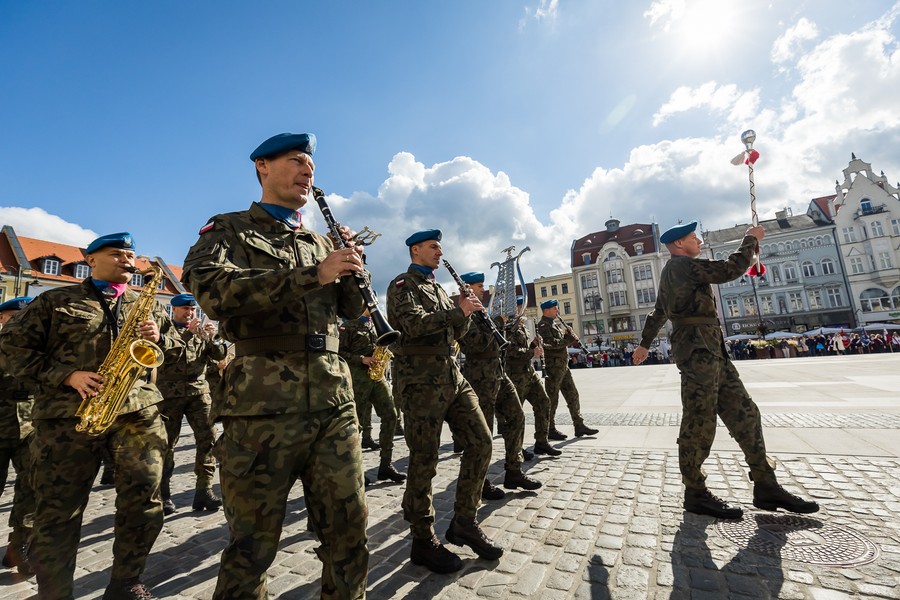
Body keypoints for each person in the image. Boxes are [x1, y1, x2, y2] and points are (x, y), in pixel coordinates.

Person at [181, 132, 369, 600]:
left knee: (349, 535)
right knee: (252, 546)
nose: (308, 170)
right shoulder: (227, 229)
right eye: (296, 161)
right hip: (261, 409)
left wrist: (351, 267)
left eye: (311, 164)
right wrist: (315, 273)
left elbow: (347, 309)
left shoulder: (319, 239)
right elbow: (212, 290)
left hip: (333, 402)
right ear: (262, 167)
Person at [0, 232, 183, 600]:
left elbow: (178, 353)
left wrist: (161, 338)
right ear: (90, 259)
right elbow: (11, 349)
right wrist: (65, 375)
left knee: (145, 505)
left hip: (137, 416)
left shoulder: (148, 306)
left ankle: (125, 583)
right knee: (58, 510)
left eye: (131, 255)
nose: (128, 261)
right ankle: (55, 592)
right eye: (117, 254)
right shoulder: (55, 300)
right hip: (69, 418)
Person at [632, 221, 819, 520]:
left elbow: (658, 312)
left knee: (745, 412)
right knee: (699, 420)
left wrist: (643, 345)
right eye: (694, 237)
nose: (700, 240)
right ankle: (695, 493)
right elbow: (727, 270)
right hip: (697, 352)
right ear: (679, 244)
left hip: (711, 349)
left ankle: (766, 484)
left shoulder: (678, 271)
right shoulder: (680, 267)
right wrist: (748, 241)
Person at [386, 229, 503, 574]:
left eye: (440, 246)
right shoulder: (401, 286)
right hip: (420, 382)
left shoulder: (438, 289)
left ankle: (464, 522)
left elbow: (456, 334)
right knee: (424, 460)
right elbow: (411, 325)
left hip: (451, 377)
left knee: (481, 442)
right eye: (434, 246)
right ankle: (423, 540)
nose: (440, 251)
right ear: (416, 250)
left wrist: (466, 314)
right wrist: (458, 311)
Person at [456, 272, 541, 500]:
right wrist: (497, 323)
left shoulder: (484, 313)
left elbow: (500, 343)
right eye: (478, 285)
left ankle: (514, 470)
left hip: (499, 373)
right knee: (483, 431)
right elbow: (474, 345)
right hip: (480, 377)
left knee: (517, 416)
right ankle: (480, 482)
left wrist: (503, 324)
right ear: (468, 288)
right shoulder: (464, 315)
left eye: (483, 285)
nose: (483, 289)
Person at [155, 293, 228, 515]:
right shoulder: (165, 331)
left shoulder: (200, 331)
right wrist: (187, 334)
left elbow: (219, 355)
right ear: (174, 310)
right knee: (167, 444)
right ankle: (164, 494)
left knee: (208, 440)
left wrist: (214, 338)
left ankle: (204, 490)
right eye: (185, 309)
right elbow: (167, 356)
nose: (190, 313)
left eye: (193, 310)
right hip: (170, 395)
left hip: (199, 393)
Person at [338, 311, 406, 483]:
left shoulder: (376, 323)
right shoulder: (348, 325)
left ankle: (386, 465)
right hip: (358, 378)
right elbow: (338, 352)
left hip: (377, 376)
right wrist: (362, 359)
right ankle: (355, 470)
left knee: (391, 415)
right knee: (356, 423)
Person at [0, 296, 36, 576]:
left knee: (32, 487)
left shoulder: (42, 349)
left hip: (32, 427)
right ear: (2, 318)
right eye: (15, 317)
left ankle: (19, 545)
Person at [536, 300, 599, 440]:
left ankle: (579, 425)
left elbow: (560, 342)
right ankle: (550, 428)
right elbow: (549, 344)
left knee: (573, 395)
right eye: (555, 309)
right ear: (546, 310)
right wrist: (568, 339)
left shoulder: (554, 325)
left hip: (563, 367)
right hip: (553, 368)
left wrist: (567, 336)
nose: (557, 311)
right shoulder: (543, 326)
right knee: (552, 399)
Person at [504, 310, 561, 458]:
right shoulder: (507, 327)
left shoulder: (522, 325)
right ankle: (517, 449)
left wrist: (533, 345)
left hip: (529, 373)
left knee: (543, 402)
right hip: (516, 375)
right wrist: (532, 352)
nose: (520, 311)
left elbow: (524, 347)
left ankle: (541, 441)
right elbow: (509, 350)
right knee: (516, 413)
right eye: (517, 307)